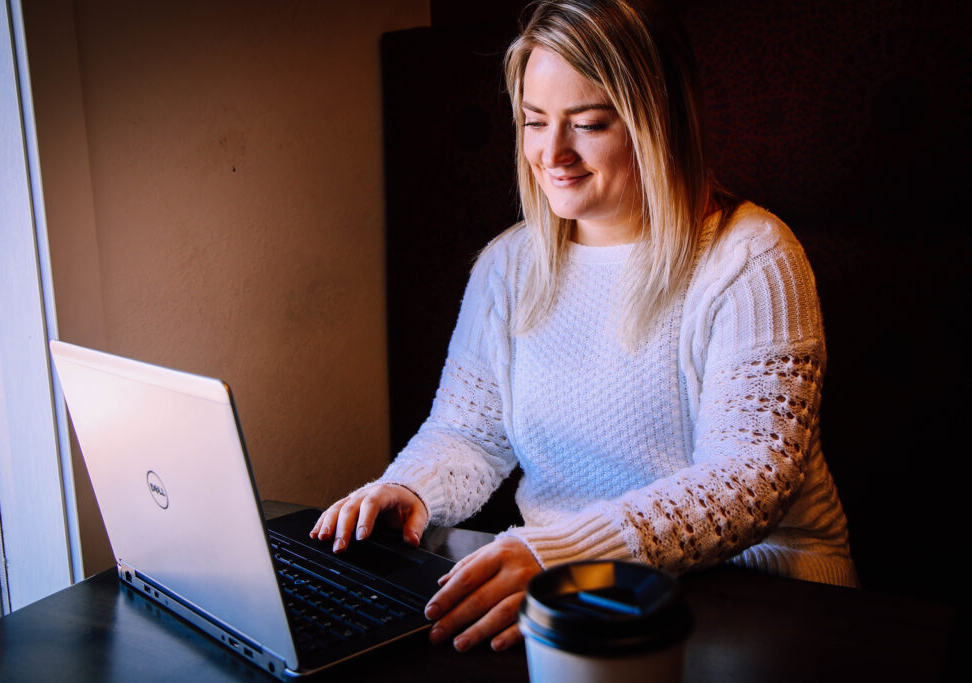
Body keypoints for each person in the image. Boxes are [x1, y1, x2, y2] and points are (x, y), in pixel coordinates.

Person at [312, 0, 857, 654]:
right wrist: (409, 488)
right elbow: (467, 431)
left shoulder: (752, 257)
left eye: (589, 123)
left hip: (758, 587)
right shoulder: (507, 265)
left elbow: (746, 481)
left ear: (659, 122)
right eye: (534, 121)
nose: (552, 153)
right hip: (563, 589)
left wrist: (563, 550)